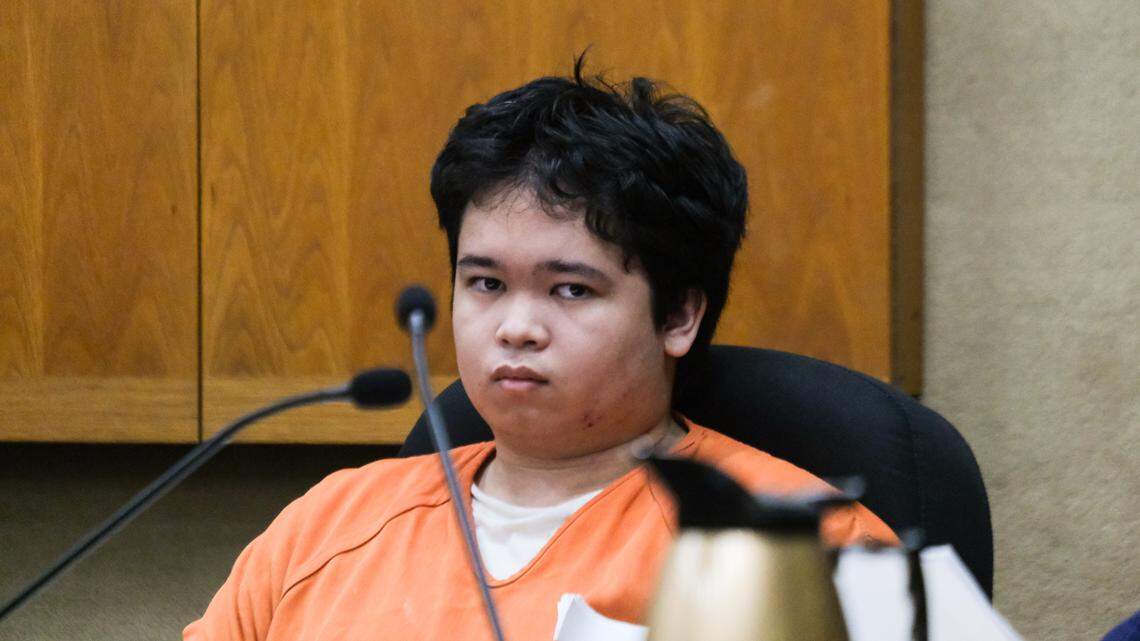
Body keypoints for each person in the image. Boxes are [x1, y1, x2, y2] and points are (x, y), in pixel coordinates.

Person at [184, 57, 898, 640]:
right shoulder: (329, 523)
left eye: (569, 290)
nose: (515, 327)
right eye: (486, 282)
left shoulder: (802, 548)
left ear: (678, 314)